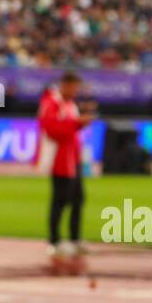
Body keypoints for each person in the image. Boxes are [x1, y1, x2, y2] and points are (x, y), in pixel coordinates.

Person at [36, 71, 96, 258]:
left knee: (78, 198)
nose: (76, 91)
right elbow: (51, 129)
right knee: (60, 200)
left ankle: (74, 238)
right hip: (59, 160)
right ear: (65, 85)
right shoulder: (51, 103)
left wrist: (78, 124)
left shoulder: (69, 104)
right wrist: (77, 123)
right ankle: (54, 241)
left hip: (73, 158)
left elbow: (70, 128)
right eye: (74, 87)